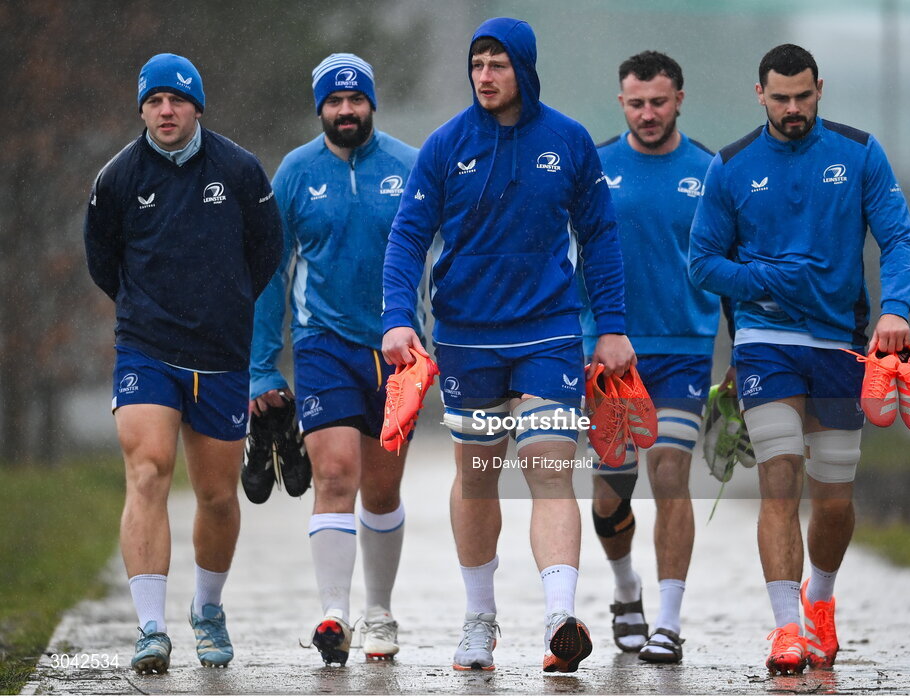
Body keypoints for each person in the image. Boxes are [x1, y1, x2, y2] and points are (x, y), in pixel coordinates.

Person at [381, 17, 635, 674]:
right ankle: (478, 621)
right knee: (477, 477)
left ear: (523, 67)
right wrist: (396, 318)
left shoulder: (569, 142)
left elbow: (601, 236)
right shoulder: (446, 146)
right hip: (466, 337)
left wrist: (610, 327)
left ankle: (559, 618)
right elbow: (408, 235)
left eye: (498, 64)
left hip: (549, 331)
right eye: (478, 65)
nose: (486, 76)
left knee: (549, 470)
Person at [689, 44, 910, 674]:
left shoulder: (859, 152)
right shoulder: (731, 165)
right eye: (780, 98)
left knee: (835, 494)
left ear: (820, 89)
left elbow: (897, 236)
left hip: (842, 343)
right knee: (779, 475)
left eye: (803, 96)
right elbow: (703, 261)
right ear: (758, 94)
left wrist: (895, 308)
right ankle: (786, 628)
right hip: (765, 342)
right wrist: (762, 282)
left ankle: (819, 602)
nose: (793, 109)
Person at [84, 53, 282, 674]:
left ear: (197, 106)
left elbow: (266, 251)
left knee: (220, 495)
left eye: (177, 100)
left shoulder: (241, 170)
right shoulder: (117, 178)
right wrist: (149, 307)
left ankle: (208, 609)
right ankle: (150, 628)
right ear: (141, 109)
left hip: (222, 355)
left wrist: (223, 304)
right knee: (147, 471)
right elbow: (102, 260)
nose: (165, 111)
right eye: (153, 101)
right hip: (147, 348)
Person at [249, 53, 420, 665]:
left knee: (381, 489)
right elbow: (272, 272)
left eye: (356, 100)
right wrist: (263, 366)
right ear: (319, 107)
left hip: (399, 352)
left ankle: (379, 614)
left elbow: (446, 256)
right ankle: (334, 615)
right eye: (334, 101)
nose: (345, 111)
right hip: (323, 344)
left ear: (371, 102)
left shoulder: (410, 165)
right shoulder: (295, 173)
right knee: (336, 475)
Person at [582, 51, 718, 665]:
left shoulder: (712, 171)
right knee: (610, 494)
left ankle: (667, 621)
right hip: (610, 356)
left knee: (668, 470)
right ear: (621, 103)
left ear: (680, 99)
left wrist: (741, 356)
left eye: (658, 102)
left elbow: (731, 269)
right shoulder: (596, 168)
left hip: (683, 351)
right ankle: (626, 588)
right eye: (636, 103)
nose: (648, 114)